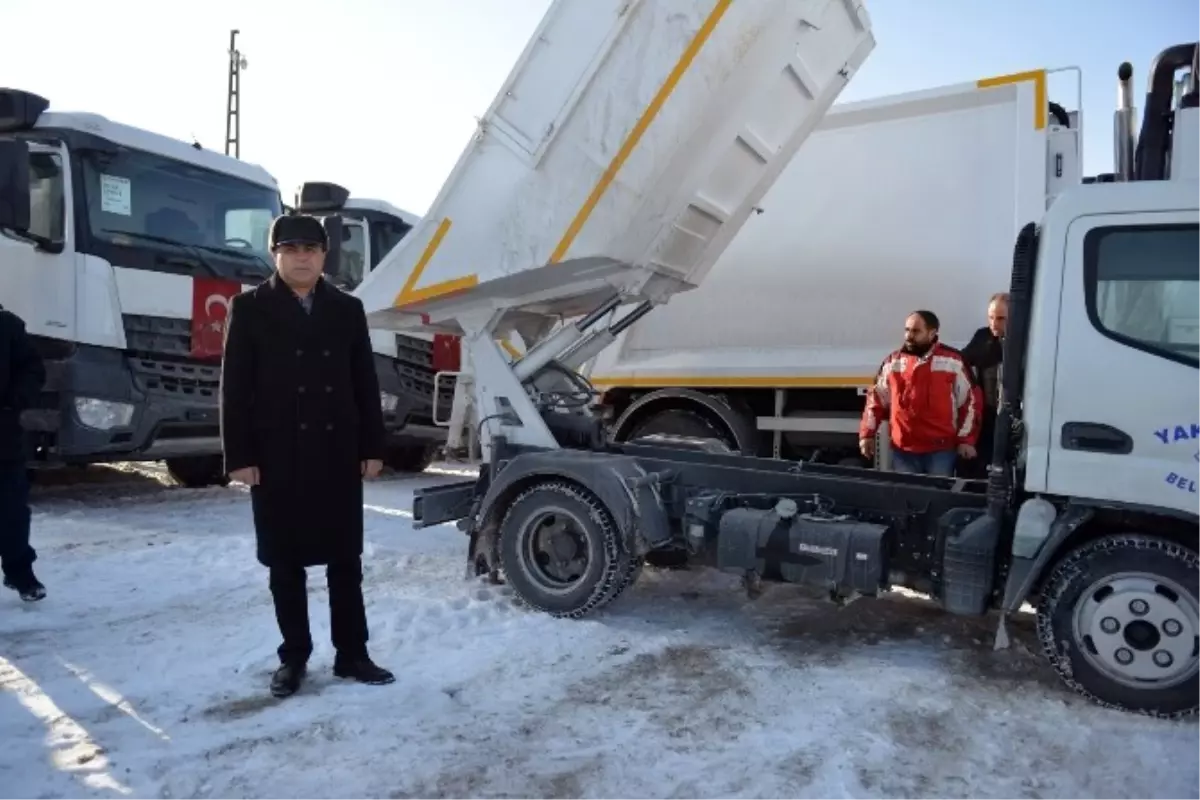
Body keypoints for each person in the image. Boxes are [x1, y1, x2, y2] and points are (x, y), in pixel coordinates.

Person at [219, 213, 394, 698]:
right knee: (285, 563)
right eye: (291, 248)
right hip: (277, 454)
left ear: (324, 255)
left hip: (336, 451)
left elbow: (364, 381)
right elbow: (235, 388)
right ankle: (293, 657)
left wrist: (372, 447)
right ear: (275, 254)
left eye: (311, 249)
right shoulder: (250, 307)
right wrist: (240, 454)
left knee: (345, 561)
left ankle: (352, 654)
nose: (302, 256)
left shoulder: (347, 309)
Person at [859, 310, 982, 476]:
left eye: (916, 331)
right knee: (906, 499)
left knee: (936, 498)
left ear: (932, 333)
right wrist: (867, 434)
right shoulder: (893, 362)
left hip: (941, 451)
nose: (909, 335)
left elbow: (971, 401)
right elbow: (876, 400)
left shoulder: (952, 362)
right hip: (904, 450)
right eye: (907, 330)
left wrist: (966, 440)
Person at [0, 303, 46, 601]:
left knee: (12, 511)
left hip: (2, 437)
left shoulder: (8, 326)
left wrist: (14, 401)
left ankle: (20, 573)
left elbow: (33, 369)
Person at [961, 293, 1008, 477]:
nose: (994, 324)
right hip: (988, 414)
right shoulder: (983, 337)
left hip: (1015, 416)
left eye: (1001, 319)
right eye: (991, 318)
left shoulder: (1028, 338)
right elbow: (962, 360)